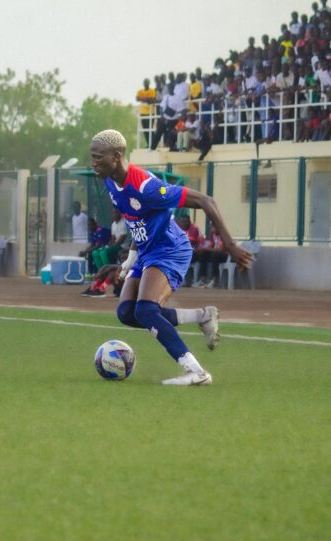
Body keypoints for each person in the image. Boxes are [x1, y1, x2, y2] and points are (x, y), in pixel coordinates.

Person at [90, 129, 253, 386]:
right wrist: (130, 259)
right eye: (92, 157)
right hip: (147, 251)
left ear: (116, 156)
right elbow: (136, 220)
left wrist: (231, 246)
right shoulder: (110, 181)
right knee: (127, 312)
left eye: (98, 157)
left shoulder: (146, 186)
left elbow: (206, 201)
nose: (93, 163)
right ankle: (202, 316)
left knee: (146, 310)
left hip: (170, 249)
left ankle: (196, 372)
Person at [193, 224, 228, 288]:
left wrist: (205, 249)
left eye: (214, 228)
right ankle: (202, 280)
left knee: (214, 255)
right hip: (215, 253)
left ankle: (215, 281)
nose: (212, 230)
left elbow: (220, 249)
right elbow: (211, 245)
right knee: (202, 254)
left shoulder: (223, 235)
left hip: (224, 255)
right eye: (211, 228)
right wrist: (202, 248)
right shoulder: (212, 234)